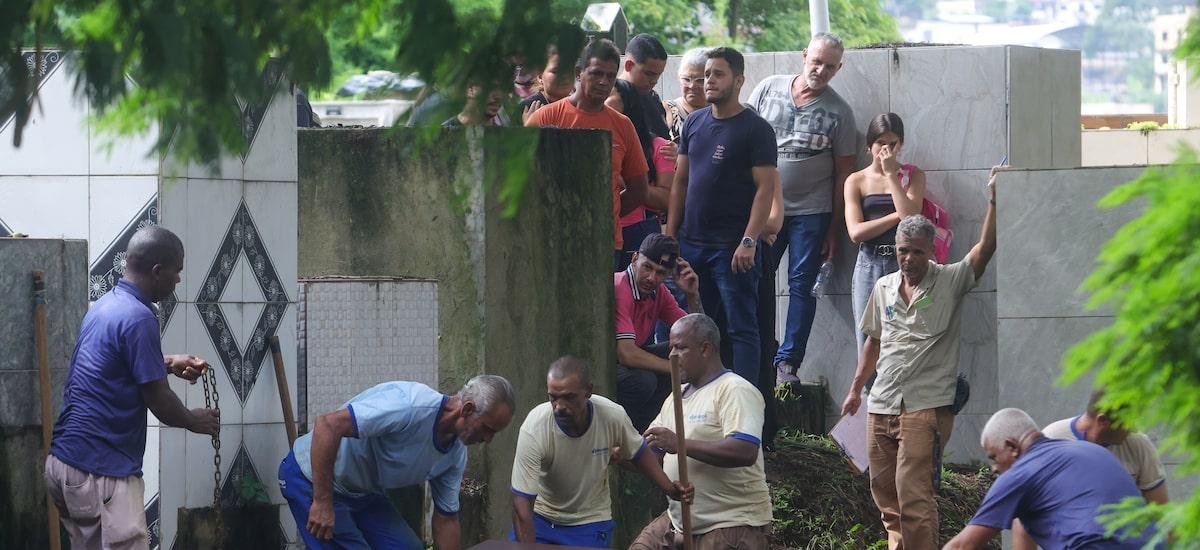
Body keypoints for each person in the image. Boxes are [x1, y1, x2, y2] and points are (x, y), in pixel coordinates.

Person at [840, 167, 1004, 550]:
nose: (909, 258)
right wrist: (854, 391)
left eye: (917, 251)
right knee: (884, 492)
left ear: (931, 251)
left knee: (913, 495)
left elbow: (985, 248)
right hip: (881, 404)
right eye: (903, 250)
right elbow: (872, 343)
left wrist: (995, 198)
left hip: (925, 407)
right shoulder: (882, 287)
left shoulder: (950, 280)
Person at [45, 226, 220, 550]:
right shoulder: (140, 318)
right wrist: (195, 421)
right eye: (176, 272)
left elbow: (112, 366)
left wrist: (166, 362)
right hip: (100, 472)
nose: (178, 280)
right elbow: (159, 399)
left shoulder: (105, 306)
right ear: (157, 272)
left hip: (65, 465)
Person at [279, 376, 515, 548]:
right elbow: (327, 425)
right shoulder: (410, 406)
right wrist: (322, 501)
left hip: (364, 492)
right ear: (468, 409)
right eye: (487, 429)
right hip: (311, 479)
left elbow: (447, 519)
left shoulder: (454, 456)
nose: (488, 439)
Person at [745, 32, 857, 385]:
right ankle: (758, 349)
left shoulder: (840, 112)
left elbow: (844, 173)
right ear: (803, 55)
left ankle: (788, 362)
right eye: (816, 61)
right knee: (755, 278)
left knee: (801, 285)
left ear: (838, 69)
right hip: (764, 207)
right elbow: (741, 138)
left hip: (812, 212)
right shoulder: (767, 88)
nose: (820, 70)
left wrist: (834, 228)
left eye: (829, 66)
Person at [664, 46, 779, 385]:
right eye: (705, 74)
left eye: (717, 74)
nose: (708, 81)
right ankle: (698, 399)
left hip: (732, 251)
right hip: (693, 245)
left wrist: (749, 240)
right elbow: (681, 182)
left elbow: (765, 189)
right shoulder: (696, 122)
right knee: (695, 328)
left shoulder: (756, 129)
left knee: (742, 329)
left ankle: (744, 410)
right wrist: (672, 235)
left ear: (739, 80)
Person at [510, 356, 693, 547]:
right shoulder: (535, 427)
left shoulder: (611, 416)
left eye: (569, 397)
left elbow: (638, 452)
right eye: (553, 398)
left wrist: (669, 488)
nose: (560, 407)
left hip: (589, 520)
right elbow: (522, 504)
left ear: (588, 391)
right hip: (542, 519)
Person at [630, 314, 772, 549]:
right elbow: (651, 454)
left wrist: (680, 444)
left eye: (680, 348)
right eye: (670, 347)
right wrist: (616, 453)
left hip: (730, 523)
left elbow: (745, 450)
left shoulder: (734, 389)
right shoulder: (676, 397)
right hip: (679, 522)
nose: (671, 356)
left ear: (705, 349)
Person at [944, 408, 1157, 549]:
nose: (993, 468)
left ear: (1012, 447)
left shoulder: (1020, 474)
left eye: (993, 457)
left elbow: (962, 546)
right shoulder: (1091, 452)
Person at [526, 38, 648, 271]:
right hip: (550, 238)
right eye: (596, 73)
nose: (603, 82)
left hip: (604, 241)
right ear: (579, 72)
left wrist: (603, 211)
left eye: (610, 76)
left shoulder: (622, 125)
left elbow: (639, 189)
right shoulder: (545, 118)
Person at [1004, 391, 1172, 549]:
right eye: (1127, 422)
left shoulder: (1138, 445)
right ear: (1103, 420)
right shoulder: (1051, 440)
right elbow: (1024, 519)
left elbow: (1161, 512)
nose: (1133, 428)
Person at [844, 113, 925, 353]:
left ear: (901, 145)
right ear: (870, 146)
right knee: (867, 335)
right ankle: (868, 391)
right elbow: (856, 232)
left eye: (893, 144)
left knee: (903, 333)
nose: (886, 150)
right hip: (869, 263)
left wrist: (891, 175)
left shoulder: (913, 175)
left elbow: (910, 217)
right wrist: (896, 216)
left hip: (904, 264)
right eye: (881, 143)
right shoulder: (855, 180)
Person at [615, 234, 702, 432]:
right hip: (612, 362)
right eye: (647, 267)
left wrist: (692, 296)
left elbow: (697, 336)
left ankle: (650, 433)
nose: (652, 278)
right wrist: (674, 369)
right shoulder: (621, 286)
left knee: (686, 353)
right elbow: (626, 354)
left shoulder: (659, 292)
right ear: (635, 258)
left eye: (661, 272)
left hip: (632, 355)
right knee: (645, 381)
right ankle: (626, 435)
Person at [606, 33, 674, 271]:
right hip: (618, 217)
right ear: (628, 65)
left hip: (644, 219)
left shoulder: (652, 101)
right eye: (649, 74)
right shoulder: (610, 98)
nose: (653, 82)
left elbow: (662, 149)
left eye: (658, 76)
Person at [663, 48, 710, 144]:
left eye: (700, 80)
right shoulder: (667, 109)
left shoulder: (721, 111)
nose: (692, 86)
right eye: (686, 79)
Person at [518, 46, 575, 124]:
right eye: (556, 71)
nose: (565, 75)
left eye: (569, 70)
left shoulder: (579, 106)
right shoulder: (527, 108)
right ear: (540, 76)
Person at [442, 85, 506, 127]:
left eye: (503, 89)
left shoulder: (506, 138)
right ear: (471, 90)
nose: (499, 96)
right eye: (491, 88)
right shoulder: (443, 136)